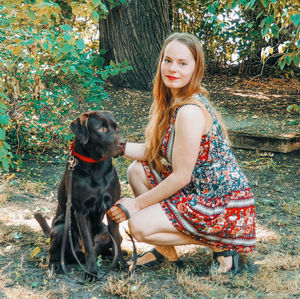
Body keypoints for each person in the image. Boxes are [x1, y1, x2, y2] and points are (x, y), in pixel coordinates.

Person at [107, 32, 256, 273]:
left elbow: (181, 176)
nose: (172, 68)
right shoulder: (172, 101)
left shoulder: (189, 111)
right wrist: (115, 147)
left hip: (223, 204)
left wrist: (135, 204)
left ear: (196, 69)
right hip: (200, 190)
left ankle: (225, 244)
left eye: (182, 63)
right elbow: (155, 152)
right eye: (168, 60)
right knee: (137, 171)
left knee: (138, 226)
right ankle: (166, 252)